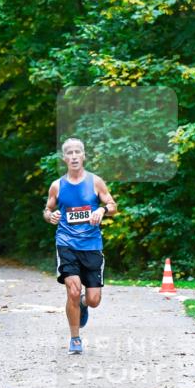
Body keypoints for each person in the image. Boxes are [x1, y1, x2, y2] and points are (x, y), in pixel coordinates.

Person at [43, 138, 117, 355]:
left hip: (92, 245)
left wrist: (102, 210)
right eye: (70, 153)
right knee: (73, 291)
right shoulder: (57, 186)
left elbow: (112, 205)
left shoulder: (95, 182)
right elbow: (47, 210)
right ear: (64, 158)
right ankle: (75, 338)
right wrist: (50, 216)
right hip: (66, 243)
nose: (74, 156)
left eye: (78, 152)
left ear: (83, 156)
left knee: (94, 300)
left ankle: (84, 304)